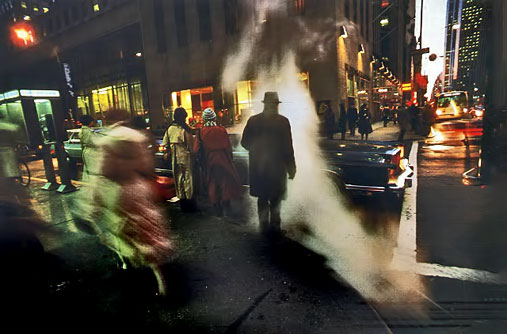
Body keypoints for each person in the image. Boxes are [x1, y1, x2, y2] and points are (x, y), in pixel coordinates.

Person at [75, 109, 173, 296]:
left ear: (109, 120)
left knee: (121, 231)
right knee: (146, 231)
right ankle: (160, 278)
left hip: (117, 192)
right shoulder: (136, 138)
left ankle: (128, 266)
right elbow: (147, 166)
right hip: (138, 188)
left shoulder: (106, 142)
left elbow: (101, 172)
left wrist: (89, 205)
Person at [241, 91, 296, 237]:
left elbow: (244, 143)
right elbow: (287, 147)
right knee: (276, 198)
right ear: (276, 105)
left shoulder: (253, 121)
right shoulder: (283, 122)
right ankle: (275, 228)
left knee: (263, 198)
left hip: (259, 168)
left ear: (265, 105)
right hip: (277, 169)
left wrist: (257, 150)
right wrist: (291, 168)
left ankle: (263, 226)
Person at [193, 108, 242, 217]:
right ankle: (227, 207)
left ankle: (217, 209)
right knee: (225, 183)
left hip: (209, 161)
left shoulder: (200, 132)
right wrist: (230, 158)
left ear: (204, 119)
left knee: (212, 183)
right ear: (214, 118)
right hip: (223, 159)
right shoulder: (221, 130)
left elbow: (196, 149)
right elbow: (228, 147)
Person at [162, 107, 196, 212]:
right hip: (186, 157)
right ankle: (190, 203)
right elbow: (191, 145)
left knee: (178, 179)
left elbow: (165, 144)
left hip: (174, 158)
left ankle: (182, 203)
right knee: (188, 179)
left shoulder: (170, 129)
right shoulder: (185, 130)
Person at [79, 115, 97, 180]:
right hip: (92, 151)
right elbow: (94, 142)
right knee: (93, 169)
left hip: (85, 151)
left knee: (88, 168)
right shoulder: (88, 131)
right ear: (89, 122)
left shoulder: (82, 130)